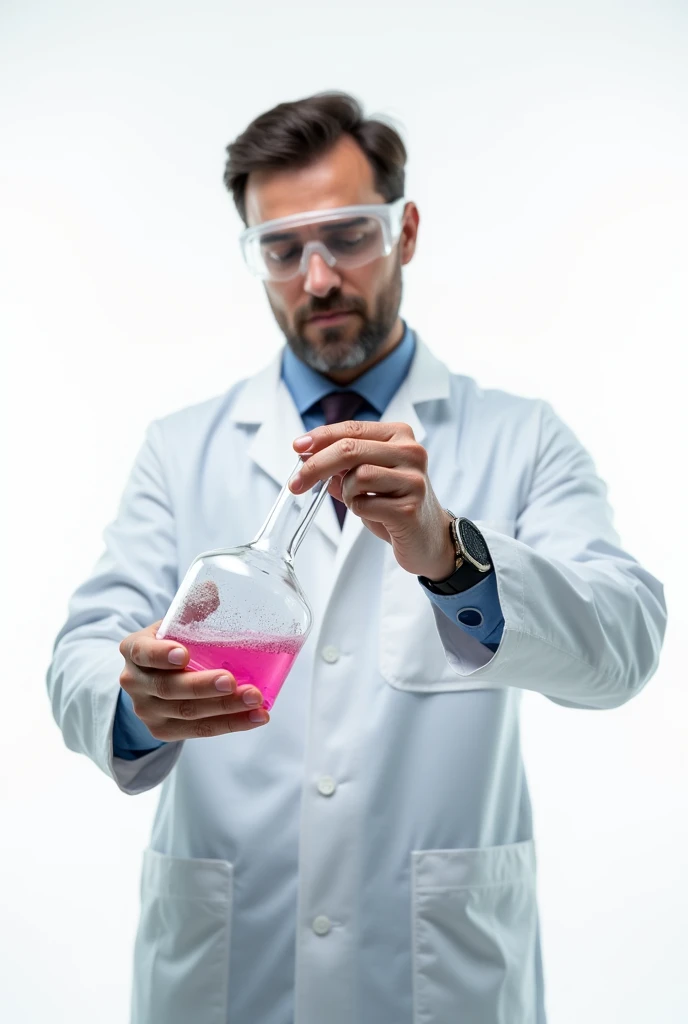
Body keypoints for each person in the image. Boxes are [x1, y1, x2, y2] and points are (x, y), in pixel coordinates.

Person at [46, 92, 667, 1024]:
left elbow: (624, 642)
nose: (320, 277)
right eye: (283, 248)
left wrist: (451, 557)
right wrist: (138, 702)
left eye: (349, 236)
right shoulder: (181, 450)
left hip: (436, 981)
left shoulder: (521, 438)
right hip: (229, 973)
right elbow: (81, 656)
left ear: (406, 231)